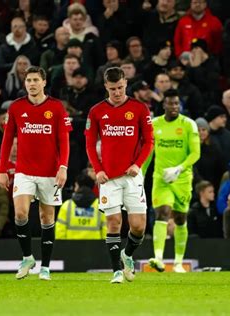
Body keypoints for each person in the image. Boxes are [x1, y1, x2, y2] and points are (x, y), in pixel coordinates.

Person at [0, 66, 72, 281]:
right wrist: (3, 169)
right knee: (20, 213)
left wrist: (63, 167)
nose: (31, 83)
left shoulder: (57, 108)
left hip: (50, 172)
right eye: (28, 80)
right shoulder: (16, 107)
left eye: (35, 80)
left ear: (44, 82)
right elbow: (6, 140)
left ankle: (46, 267)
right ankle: (28, 257)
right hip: (24, 171)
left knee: (46, 217)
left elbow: (64, 142)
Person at [85, 67, 153, 283]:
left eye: (121, 88)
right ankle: (116, 270)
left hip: (132, 176)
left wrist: (137, 164)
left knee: (138, 226)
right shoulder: (96, 111)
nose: (117, 92)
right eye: (113, 88)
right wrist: (98, 169)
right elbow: (89, 143)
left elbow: (149, 141)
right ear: (106, 86)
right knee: (113, 222)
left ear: (126, 84)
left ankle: (127, 255)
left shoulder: (139, 108)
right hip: (109, 178)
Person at [146, 89, 201, 273]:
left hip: (182, 179)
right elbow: (148, 152)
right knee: (163, 212)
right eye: (170, 103)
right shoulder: (154, 125)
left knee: (180, 219)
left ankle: (178, 262)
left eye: (177, 103)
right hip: (161, 178)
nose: (174, 107)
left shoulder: (188, 125)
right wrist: (141, 173)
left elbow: (195, 153)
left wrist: (179, 168)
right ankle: (159, 258)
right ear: (164, 105)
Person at [56, 172, 106, 240]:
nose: (74, 189)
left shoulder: (67, 205)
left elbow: (60, 231)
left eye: (76, 186)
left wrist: (62, 248)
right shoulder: (100, 206)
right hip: (94, 248)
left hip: (71, 248)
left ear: (78, 186)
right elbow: (105, 230)